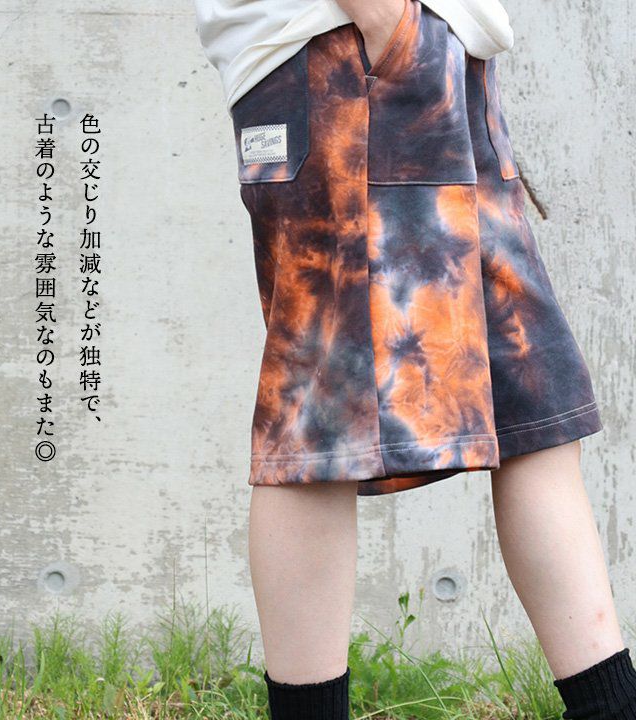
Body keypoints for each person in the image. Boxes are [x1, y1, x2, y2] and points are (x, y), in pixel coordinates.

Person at [193, 0, 636, 717]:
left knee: (535, 408)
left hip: (443, 57)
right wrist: (391, 30)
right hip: (353, 58)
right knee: (321, 428)